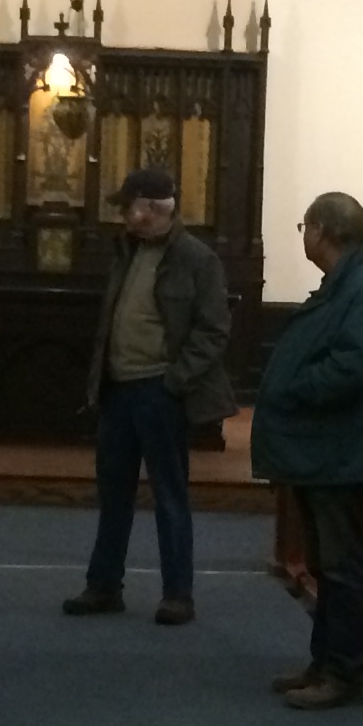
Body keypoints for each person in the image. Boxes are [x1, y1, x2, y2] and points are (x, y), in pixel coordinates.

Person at [63, 165, 235, 625]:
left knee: (169, 496)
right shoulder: (127, 250)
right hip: (118, 391)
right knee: (113, 494)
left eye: (129, 206)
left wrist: (175, 381)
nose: (123, 215)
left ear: (153, 208)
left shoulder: (197, 259)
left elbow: (214, 331)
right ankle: (104, 586)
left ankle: (178, 594)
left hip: (161, 392)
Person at [250, 191, 363, 708]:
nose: (304, 236)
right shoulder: (348, 283)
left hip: (341, 450)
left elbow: (357, 365)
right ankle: (324, 663)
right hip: (326, 450)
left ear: (322, 231)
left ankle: (343, 672)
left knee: (342, 565)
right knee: (326, 564)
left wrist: (295, 387)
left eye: (305, 227)